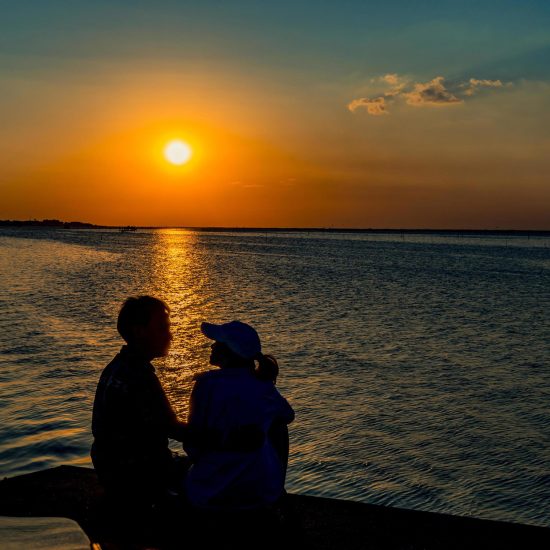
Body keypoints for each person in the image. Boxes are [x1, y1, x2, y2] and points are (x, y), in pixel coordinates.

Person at [184, 320, 295, 510]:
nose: (212, 346)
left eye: (218, 343)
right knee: (278, 427)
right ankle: (274, 484)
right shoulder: (262, 386)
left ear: (229, 354)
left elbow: (192, 444)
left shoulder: (206, 385)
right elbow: (287, 415)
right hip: (260, 491)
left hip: (210, 491)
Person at [91, 296, 189, 505]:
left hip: (110, 467)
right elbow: (173, 428)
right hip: (136, 473)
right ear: (139, 331)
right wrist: (222, 439)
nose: (170, 335)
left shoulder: (116, 367)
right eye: (162, 328)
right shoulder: (139, 376)